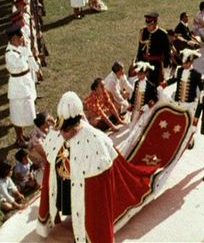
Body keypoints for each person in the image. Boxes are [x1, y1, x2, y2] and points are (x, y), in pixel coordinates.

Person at [37, 91, 160, 243]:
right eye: (61, 130)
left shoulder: (96, 141)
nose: (62, 134)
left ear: (76, 124)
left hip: (85, 187)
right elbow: (50, 172)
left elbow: (98, 194)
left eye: (66, 130)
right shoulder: (57, 134)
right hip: (67, 179)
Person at [5, 24, 37, 147]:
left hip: (25, 82)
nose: (21, 40)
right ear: (14, 39)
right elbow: (20, 63)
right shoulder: (10, 54)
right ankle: (19, 138)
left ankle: (22, 135)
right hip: (17, 86)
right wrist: (25, 51)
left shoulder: (18, 49)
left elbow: (29, 60)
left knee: (25, 109)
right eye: (20, 38)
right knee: (17, 112)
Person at [161, 49, 204, 114]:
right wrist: (164, 84)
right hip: (177, 102)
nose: (184, 65)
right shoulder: (179, 70)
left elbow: (202, 88)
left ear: (192, 62)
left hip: (189, 104)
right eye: (183, 63)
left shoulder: (196, 74)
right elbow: (173, 79)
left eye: (187, 63)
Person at [136, 12, 171, 86]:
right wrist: (138, 62)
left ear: (155, 23)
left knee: (154, 85)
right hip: (144, 64)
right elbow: (140, 48)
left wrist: (165, 67)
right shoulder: (143, 31)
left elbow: (167, 52)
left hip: (156, 66)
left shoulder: (162, 34)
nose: (148, 26)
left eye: (150, 24)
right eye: (147, 24)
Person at [29, 112, 55, 185]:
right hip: (40, 159)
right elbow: (45, 156)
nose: (51, 120)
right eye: (48, 120)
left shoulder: (49, 127)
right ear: (42, 124)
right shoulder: (36, 137)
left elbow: (60, 132)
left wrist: (54, 123)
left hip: (50, 152)